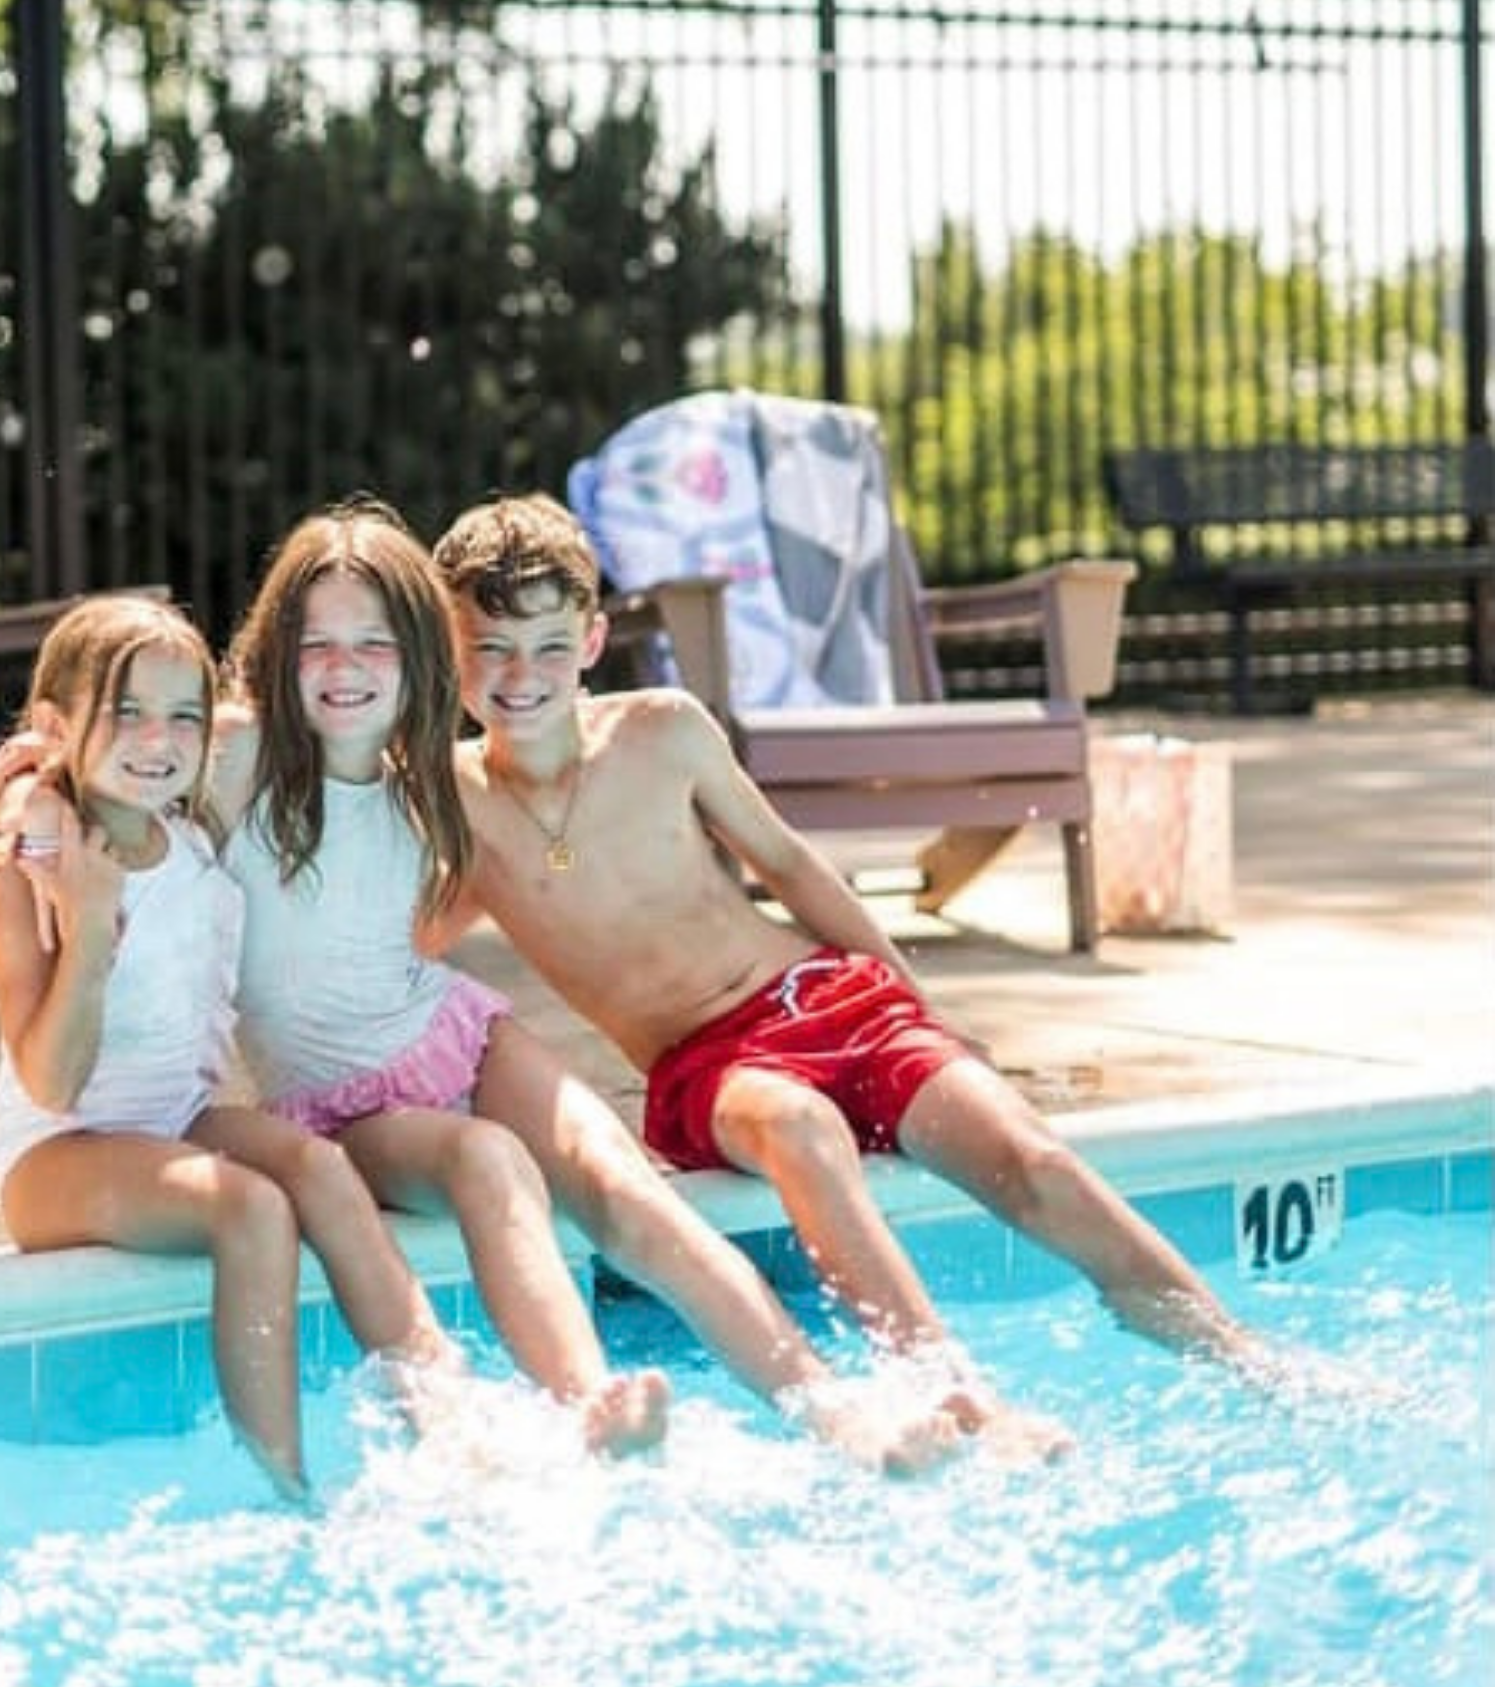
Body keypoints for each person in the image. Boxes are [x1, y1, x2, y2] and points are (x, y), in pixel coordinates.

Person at [431, 491, 1263, 1382]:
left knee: (1035, 1164)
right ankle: (949, 1390)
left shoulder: (661, 732)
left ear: (592, 642)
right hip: (710, 1064)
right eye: (493, 650)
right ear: (450, 646)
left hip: (827, 996)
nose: (524, 677)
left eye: (551, 648)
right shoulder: (452, 802)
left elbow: (789, 868)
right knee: (799, 1126)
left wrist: (917, 1005)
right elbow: (399, 949)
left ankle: (1236, 1353)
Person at [0, 592, 460, 1505]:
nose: (159, 739)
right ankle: (284, 1485)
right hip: (58, 1150)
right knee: (251, 1211)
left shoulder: (190, 838)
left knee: (316, 1167)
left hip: (175, 1120)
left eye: (182, 716)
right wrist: (90, 924)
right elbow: (52, 1079)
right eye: (127, 713)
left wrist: (39, 781)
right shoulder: (24, 873)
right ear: (55, 724)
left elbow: (269, 734)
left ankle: (443, 1409)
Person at [212, 502, 678, 1461]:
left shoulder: (418, 777)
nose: (344, 669)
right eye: (316, 643)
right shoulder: (235, 757)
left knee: (583, 1165)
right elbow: (87, 767)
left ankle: (591, 1401)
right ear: (273, 651)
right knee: (485, 1157)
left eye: (374, 644)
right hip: (335, 1103)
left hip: (441, 1030)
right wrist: (19, 793)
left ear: (421, 655)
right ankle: (486, 1412)